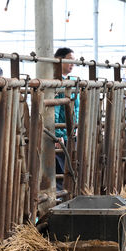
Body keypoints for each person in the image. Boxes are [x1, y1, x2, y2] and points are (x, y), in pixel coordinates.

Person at [54, 47, 78, 190]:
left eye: (73, 61)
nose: (72, 64)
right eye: (69, 60)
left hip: (70, 131)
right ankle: (60, 197)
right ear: (59, 60)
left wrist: (76, 126)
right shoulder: (55, 82)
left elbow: (76, 107)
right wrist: (57, 134)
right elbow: (54, 110)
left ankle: (67, 194)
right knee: (60, 169)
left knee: (69, 167)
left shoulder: (71, 81)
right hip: (61, 134)